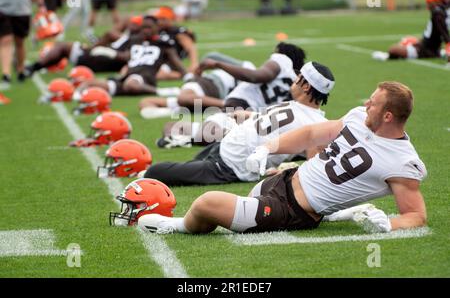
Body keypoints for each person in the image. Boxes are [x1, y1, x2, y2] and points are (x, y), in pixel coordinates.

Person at [138, 81, 428, 235]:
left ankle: (173, 226)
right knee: (222, 207)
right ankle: (338, 212)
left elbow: (416, 215)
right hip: (283, 181)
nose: (366, 105)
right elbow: (312, 133)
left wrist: (390, 225)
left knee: (206, 203)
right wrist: (268, 148)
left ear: (388, 116)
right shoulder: (357, 117)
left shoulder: (402, 161)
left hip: (292, 210)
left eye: (373, 104)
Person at [143, 61, 334, 186]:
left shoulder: (316, 124)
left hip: (230, 166)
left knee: (157, 171)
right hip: (224, 146)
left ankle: (139, 173)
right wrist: (248, 115)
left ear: (307, 86)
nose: (293, 81)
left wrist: (283, 171)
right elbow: (274, 122)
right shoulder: (298, 106)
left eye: (298, 78)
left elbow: (313, 165)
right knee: (182, 166)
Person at [77, 15, 187, 96]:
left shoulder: (164, 44)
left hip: (145, 77)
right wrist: (107, 52)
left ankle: (162, 92)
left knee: (131, 85)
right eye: (143, 28)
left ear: (156, 27)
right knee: (89, 83)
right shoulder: (135, 40)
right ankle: (76, 96)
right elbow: (127, 57)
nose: (145, 31)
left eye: (149, 27)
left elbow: (176, 62)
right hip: (128, 76)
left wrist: (188, 76)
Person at [197, 42, 306, 110]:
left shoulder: (281, 60)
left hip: (240, 105)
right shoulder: (296, 83)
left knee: (198, 134)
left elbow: (254, 77)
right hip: (258, 120)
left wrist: (218, 64)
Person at [25, 15, 143, 75]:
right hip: (98, 55)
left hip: (98, 59)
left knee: (62, 47)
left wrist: (106, 51)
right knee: (62, 46)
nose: (131, 26)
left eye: (135, 24)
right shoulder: (127, 36)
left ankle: (34, 67)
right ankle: (35, 67)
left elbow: (127, 56)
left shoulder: (136, 41)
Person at [372, 0, 450, 64]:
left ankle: (389, 56)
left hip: (425, 51)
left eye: (429, 3)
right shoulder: (440, 11)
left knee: (393, 49)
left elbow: (444, 33)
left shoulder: (437, 13)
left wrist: (448, 45)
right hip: (428, 47)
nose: (428, 6)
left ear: (434, 2)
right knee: (408, 39)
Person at [0, 0, 46, 87]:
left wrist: (41, 4)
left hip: (22, 9)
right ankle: (6, 74)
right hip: (3, 9)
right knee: (5, 40)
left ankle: (20, 70)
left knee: (19, 41)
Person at [150, 6, 198, 80]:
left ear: (170, 19)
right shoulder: (157, 31)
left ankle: (187, 75)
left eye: (162, 19)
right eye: (158, 19)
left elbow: (190, 47)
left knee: (157, 74)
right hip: (155, 59)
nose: (159, 21)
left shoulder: (178, 32)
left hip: (172, 62)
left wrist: (194, 63)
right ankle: (187, 74)